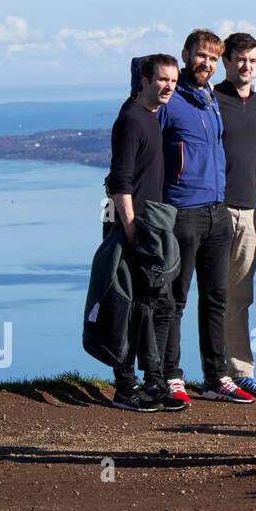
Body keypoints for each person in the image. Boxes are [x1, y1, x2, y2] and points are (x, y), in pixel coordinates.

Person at [155, 29, 253, 403]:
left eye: (213, 59)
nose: (207, 64)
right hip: (182, 212)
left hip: (218, 212)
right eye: (201, 56)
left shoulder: (209, 98)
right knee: (174, 300)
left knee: (216, 298)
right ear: (185, 54)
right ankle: (170, 376)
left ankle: (216, 377)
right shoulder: (169, 98)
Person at [103, 53, 185, 411]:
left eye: (173, 81)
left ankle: (153, 382)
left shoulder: (149, 116)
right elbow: (120, 182)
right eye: (162, 79)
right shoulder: (132, 120)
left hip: (149, 224)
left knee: (157, 304)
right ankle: (125, 387)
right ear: (144, 81)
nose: (168, 86)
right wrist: (131, 229)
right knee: (131, 304)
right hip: (131, 224)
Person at [213, 32, 256, 397]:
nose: (246, 66)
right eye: (239, 59)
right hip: (213, 209)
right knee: (209, 295)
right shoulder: (212, 98)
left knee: (239, 296)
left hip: (249, 210)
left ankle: (239, 369)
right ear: (226, 61)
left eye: (252, 60)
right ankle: (209, 371)